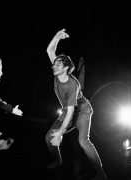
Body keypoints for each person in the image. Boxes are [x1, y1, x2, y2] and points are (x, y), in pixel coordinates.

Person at [45, 29, 107, 179]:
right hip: (68, 110)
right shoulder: (58, 72)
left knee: (83, 141)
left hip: (83, 111)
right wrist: (57, 36)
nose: (54, 67)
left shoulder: (73, 85)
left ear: (65, 68)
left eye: (58, 65)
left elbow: (72, 113)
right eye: (54, 64)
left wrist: (60, 133)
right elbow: (50, 49)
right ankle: (58, 161)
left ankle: (101, 174)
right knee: (48, 138)